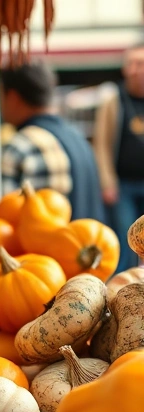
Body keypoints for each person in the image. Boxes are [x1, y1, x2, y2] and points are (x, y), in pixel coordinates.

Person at [0, 62, 105, 222]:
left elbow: (5, 215)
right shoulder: (77, 137)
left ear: (13, 97)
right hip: (90, 242)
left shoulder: (21, 146)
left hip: (47, 247)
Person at [94, 43, 144, 272]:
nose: (136, 69)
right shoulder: (113, 101)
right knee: (125, 240)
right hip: (122, 185)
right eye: (132, 64)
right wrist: (107, 182)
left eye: (141, 64)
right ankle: (122, 288)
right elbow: (101, 145)